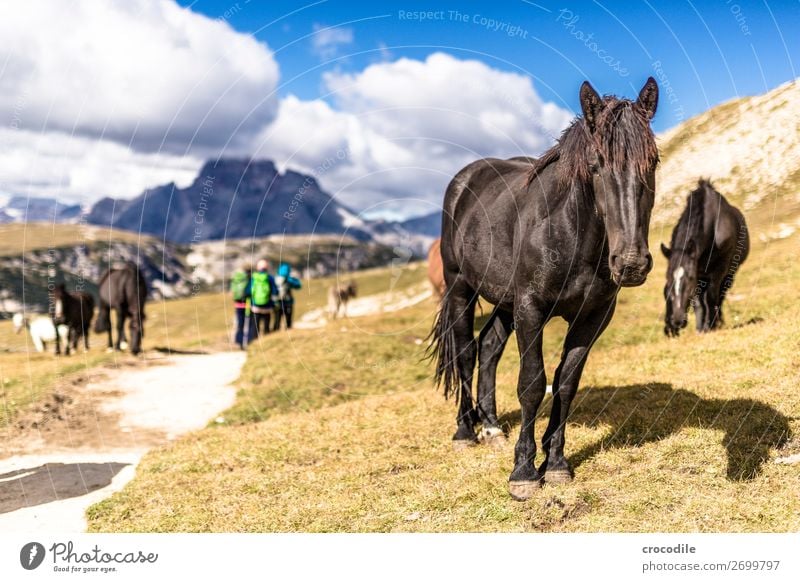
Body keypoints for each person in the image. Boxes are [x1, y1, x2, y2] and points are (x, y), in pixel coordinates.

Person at [250, 259, 275, 338]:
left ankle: (255, 341)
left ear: (258, 268)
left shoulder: (254, 278)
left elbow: (250, 291)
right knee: (266, 325)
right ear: (266, 268)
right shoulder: (269, 278)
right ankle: (266, 341)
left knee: (255, 326)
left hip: (255, 306)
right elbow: (275, 291)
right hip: (267, 305)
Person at [272, 263, 302, 331]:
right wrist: (291, 279)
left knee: (277, 320)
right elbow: (298, 286)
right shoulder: (289, 279)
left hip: (277, 303)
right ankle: (288, 331)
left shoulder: (275, 278)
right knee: (288, 320)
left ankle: (275, 332)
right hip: (288, 302)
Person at [230, 265, 252, 349]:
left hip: (238, 303)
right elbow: (250, 290)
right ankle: (249, 341)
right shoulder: (248, 278)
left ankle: (239, 342)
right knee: (249, 323)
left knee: (240, 323)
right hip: (247, 303)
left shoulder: (236, 278)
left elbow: (232, 291)